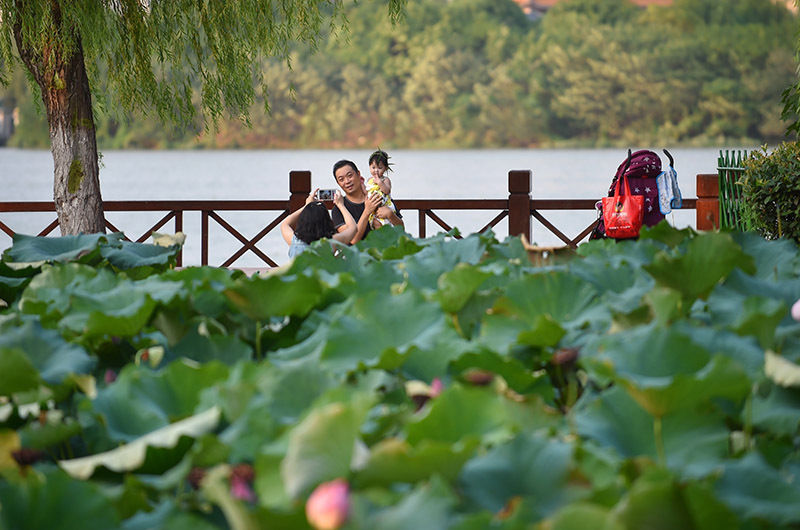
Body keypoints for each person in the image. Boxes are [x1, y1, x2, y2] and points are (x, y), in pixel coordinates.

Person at [331, 159, 403, 245]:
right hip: (357, 256)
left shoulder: (377, 196)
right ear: (338, 183)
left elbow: (402, 230)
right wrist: (367, 211)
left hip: (383, 253)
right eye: (341, 179)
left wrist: (391, 215)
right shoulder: (338, 209)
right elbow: (353, 240)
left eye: (350, 176)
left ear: (358, 174)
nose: (347, 181)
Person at [280, 188, 356, 258]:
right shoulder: (331, 243)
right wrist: (340, 205)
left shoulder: (295, 241)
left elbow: (285, 224)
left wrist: (306, 206)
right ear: (327, 221)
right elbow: (353, 228)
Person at [364, 149, 396, 229]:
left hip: (384, 207)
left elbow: (387, 190)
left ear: (385, 168)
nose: (376, 170)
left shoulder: (385, 180)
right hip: (373, 208)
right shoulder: (369, 180)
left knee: (385, 226)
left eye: (380, 168)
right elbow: (367, 191)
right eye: (373, 167)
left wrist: (379, 183)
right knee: (375, 223)